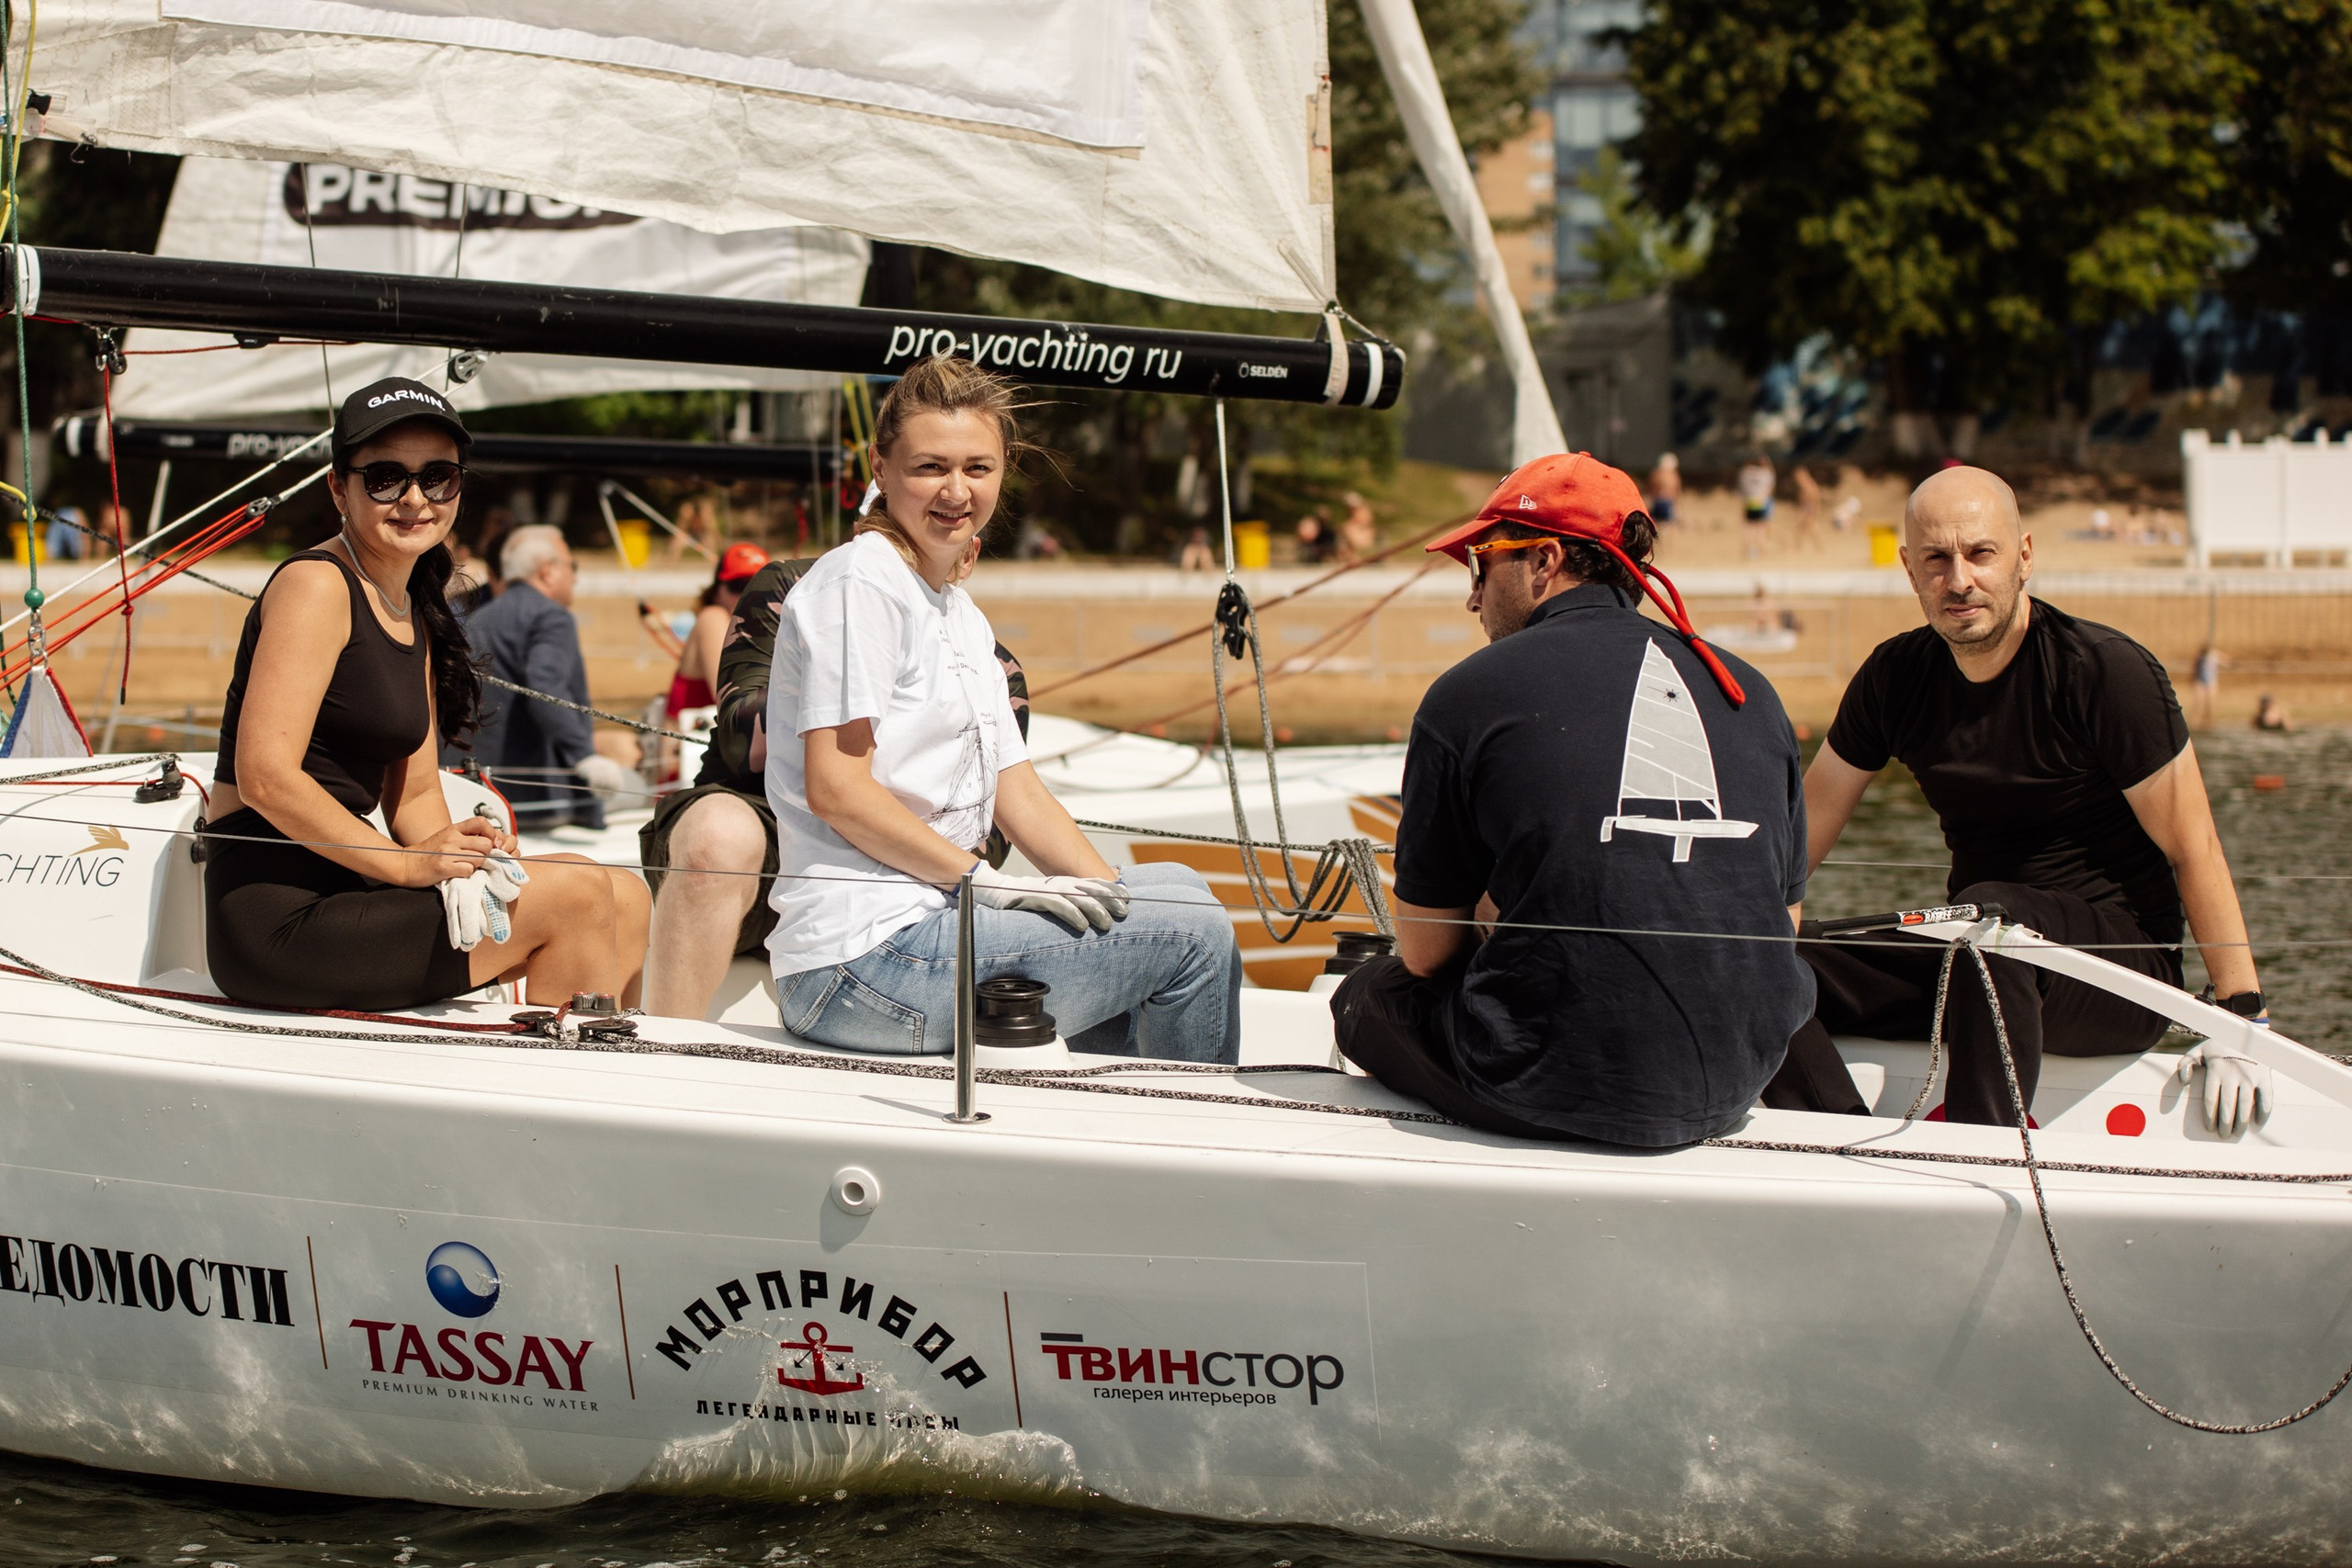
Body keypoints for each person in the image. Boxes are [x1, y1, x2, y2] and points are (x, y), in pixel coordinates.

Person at [1331, 452, 1830, 1146]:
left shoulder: (1466, 696)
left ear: (1544, 560)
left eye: (1481, 563)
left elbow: (1423, 953)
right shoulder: (1748, 687)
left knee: (1365, 996)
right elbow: (1786, 920)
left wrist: (1498, 913)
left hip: (1550, 1084)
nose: (1472, 597)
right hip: (1741, 1075)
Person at [765, 355, 1241, 1059]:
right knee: (1191, 930)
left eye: (977, 468)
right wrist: (986, 883)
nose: (955, 490)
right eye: (930, 467)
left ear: (1003, 469)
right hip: (860, 961)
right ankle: (1187, 1146)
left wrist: (1102, 896)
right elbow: (836, 788)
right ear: (882, 466)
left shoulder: (958, 611)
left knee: (1175, 888)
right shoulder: (861, 584)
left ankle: (1125, 1121)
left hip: (931, 925)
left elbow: (1015, 788)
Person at [1799, 467, 2270, 1134]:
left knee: (1994, 920)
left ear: (2023, 555)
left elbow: (2194, 847)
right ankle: (1834, 1141)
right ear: (1909, 569)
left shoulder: (2104, 672)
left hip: (2120, 973)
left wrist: (2240, 1014)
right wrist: (1740, 939)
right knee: (1773, 961)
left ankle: (1981, 1147)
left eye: (1980, 553)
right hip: (1972, 949)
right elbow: (1799, 843)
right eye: (1936, 558)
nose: (1958, 579)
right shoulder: (1893, 677)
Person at [201, 377, 649, 1010]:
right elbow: (265, 776)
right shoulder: (317, 585)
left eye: (438, 477)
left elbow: (412, 795)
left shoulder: (413, 608)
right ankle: (558, 1097)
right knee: (575, 894)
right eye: (385, 477)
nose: (415, 498)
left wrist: (462, 853)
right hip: (277, 915)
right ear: (338, 487)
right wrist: (408, 866)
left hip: (352, 882)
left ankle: (616, 1077)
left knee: (624, 894)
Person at [636, 550, 1035, 1021]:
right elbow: (742, 746)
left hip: (893, 873)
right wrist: (848, 674)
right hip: (765, 825)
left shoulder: (989, 662)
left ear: (969, 553)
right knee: (716, 835)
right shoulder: (792, 590)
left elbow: (989, 834)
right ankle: (666, 1041)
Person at [458, 525, 639, 830]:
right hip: (535, 802)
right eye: (572, 566)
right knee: (637, 788)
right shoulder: (550, 616)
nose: (576, 577)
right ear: (547, 572)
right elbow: (546, 687)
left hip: (478, 790)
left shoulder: (477, 620)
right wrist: (584, 756)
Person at [668, 542, 770, 719]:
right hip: (684, 742)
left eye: (758, 586)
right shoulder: (712, 617)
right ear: (717, 591)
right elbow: (733, 699)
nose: (747, 594)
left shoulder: (765, 629)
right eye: (738, 585)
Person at [1736, 452, 1776, 558]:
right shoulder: (1764, 474)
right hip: (1760, 502)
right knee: (1760, 528)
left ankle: (1745, 550)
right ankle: (1762, 551)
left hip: (1749, 501)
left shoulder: (1746, 474)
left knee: (1748, 527)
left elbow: (1742, 488)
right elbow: (1770, 481)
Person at [2190, 643, 2224, 729]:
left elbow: (2225, 661)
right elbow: (2194, 668)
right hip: (2200, 681)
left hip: (2211, 682)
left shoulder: (2215, 655)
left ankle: (2210, 723)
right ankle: (2195, 722)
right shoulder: (2199, 657)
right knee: (2199, 703)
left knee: (2210, 704)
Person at [1339, 491, 1378, 563]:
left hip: (1363, 538)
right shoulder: (1353, 515)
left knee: (1348, 529)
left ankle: (1355, 558)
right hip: (1356, 539)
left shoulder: (1364, 512)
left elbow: (1365, 525)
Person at [1792, 463, 1823, 550]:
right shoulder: (1803, 485)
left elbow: (1814, 498)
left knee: (1808, 529)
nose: (1797, 478)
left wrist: (1812, 511)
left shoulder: (1808, 485)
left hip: (1809, 508)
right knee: (1805, 529)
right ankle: (1799, 547)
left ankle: (1799, 548)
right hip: (1806, 508)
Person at [1646, 452, 1681, 525]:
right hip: (1667, 504)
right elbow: (1675, 493)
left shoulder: (1655, 474)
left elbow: (1651, 490)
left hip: (1656, 503)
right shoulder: (1673, 476)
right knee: (1671, 522)